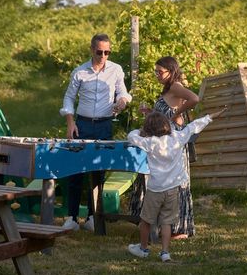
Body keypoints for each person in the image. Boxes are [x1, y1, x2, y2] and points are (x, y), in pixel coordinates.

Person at [127, 108, 226, 262]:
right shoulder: (178, 138)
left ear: (149, 129)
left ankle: (143, 249)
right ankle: (165, 253)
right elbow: (194, 126)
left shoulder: (150, 142)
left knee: (146, 220)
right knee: (166, 222)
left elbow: (131, 137)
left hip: (155, 189)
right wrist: (210, 116)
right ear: (167, 126)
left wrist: (139, 131)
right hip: (173, 189)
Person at [59, 33, 131, 231]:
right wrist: (70, 122)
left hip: (104, 125)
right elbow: (68, 98)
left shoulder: (116, 70)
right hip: (81, 125)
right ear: (92, 50)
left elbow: (123, 93)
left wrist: (122, 102)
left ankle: (93, 216)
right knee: (75, 170)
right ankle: (72, 217)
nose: (103, 56)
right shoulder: (80, 72)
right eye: (99, 52)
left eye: (107, 52)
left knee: (98, 171)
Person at [130, 56, 200, 239]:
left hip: (172, 142)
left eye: (160, 72)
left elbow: (194, 98)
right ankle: (160, 225)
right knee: (160, 179)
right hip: (163, 142)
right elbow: (165, 113)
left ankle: (178, 228)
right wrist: (151, 113)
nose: (157, 75)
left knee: (172, 181)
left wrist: (178, 112)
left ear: (171, 71)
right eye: (156, 72)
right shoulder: (168, 89)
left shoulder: (176, 86)